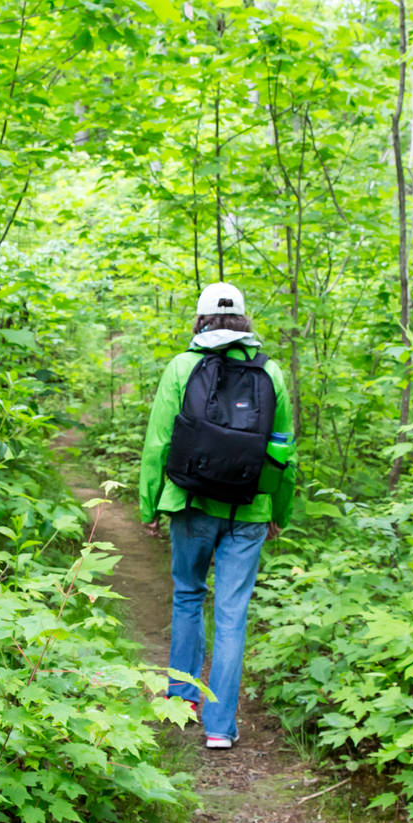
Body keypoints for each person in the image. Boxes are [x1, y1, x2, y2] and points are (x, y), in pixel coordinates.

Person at [139, 282, 294, 750]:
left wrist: (150, 505)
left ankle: (182, 701)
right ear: (244, 320)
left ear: (201, 318)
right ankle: (220, 727)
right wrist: (277, 511)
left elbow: (159, 444)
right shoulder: (271, 373)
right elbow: (282, 455)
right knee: (232, 615)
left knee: (188, 596)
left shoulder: (183, 367)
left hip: (191, 504)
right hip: (250, 511)